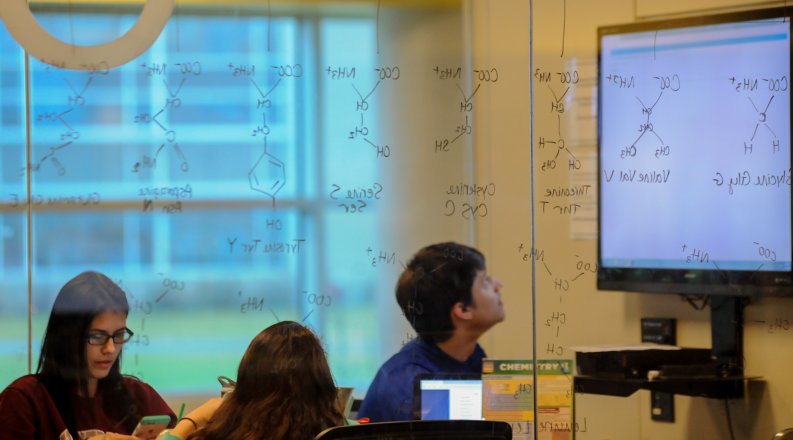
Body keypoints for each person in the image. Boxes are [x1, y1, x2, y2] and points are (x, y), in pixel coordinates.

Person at [0, 270, 176, 440]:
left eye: (119, 335)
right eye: (97, 336)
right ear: (67, 336)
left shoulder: (140, 397)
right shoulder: (24, 401)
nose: (110, 349)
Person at [357, 241, 505, 422]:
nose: (498, 284)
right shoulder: (408, 383)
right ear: (463, 310)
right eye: (484, 282)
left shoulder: (471, 355)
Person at [157, 320, 346, 440]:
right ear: (320, 380)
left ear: (248, 380)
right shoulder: (343, 432)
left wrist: (191, 421)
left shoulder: (225, 433)